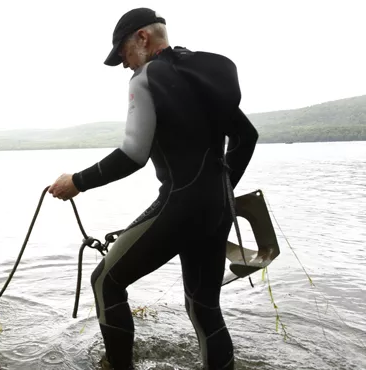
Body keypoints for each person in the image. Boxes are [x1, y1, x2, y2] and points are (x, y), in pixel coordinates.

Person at [47, 7, 258, 370]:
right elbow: (246, 136)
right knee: (204, 307)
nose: (126, 66)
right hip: (217, 208)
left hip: (180, 205)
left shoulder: (146, 78)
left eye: (124, 55)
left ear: (142, 38)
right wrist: (219, 192)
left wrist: (76, 182)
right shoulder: (201, 75)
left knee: (105, 283)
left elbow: (133, 154)